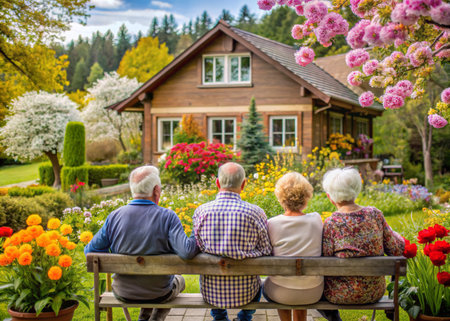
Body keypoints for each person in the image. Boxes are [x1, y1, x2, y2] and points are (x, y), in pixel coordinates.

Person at [85, 165, 199, 321]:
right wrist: (196, 232)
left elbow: (89, 252)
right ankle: (155, 319)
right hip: (160, 293)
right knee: (179, 280)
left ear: (133, 190)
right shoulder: (168, 217)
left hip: (123, 293)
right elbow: (186, 252)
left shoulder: (114, 216)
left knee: (151, 283)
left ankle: (144, 318)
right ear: (156, 190)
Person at [319, 167, 405, 321]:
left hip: (339, 294)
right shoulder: (374, 214)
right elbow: (396, 248)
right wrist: (397, 235)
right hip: (374, 292)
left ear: (330, 197)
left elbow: (325, 258)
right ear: (356, 190)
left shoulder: (331, 223)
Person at [193, 162, 272, 321]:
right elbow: (266, 250)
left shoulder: (201, 211)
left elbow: (199, 246)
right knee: (258, 287)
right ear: (243, 184)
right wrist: (246, 253)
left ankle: (220, 317)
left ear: (217, 183)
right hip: (246, 293)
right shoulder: (256, 213)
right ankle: (244, 317)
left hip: (211, 292)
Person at [263, 172, 323, 321]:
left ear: (281, 197)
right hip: (313, 291)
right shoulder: (316, 219)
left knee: (277, 284)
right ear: (306, 196)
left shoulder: (272, 223)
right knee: (299, 282)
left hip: (281, 292)